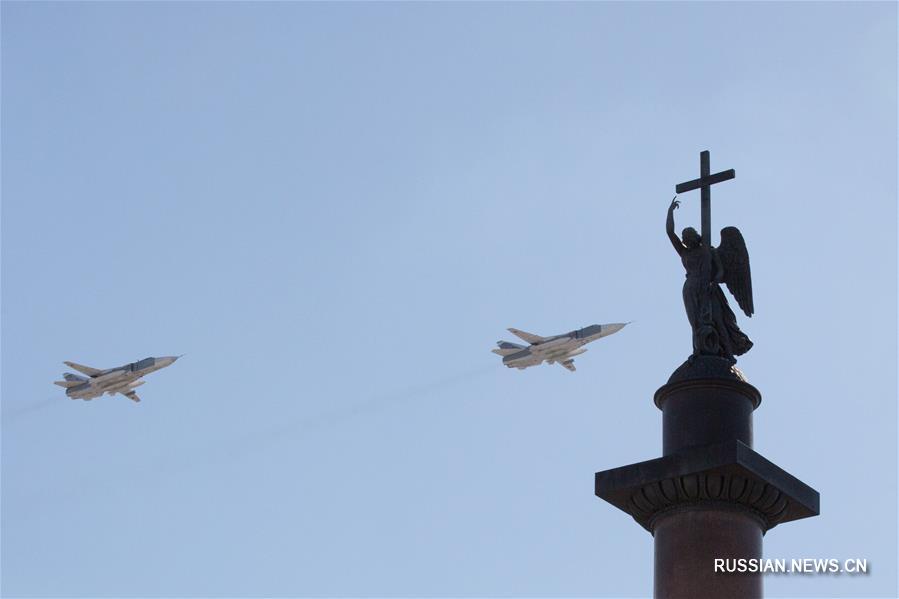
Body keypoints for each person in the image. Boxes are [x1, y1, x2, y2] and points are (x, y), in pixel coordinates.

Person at [666, 197, 752, 359]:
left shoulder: (708, 251)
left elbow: (720, 271)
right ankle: (698, 350)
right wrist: (670, 212)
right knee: (696, 322)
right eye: (684, 239)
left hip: (709, 288)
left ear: (695, 237)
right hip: (691, 289)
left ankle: (728, 353)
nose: (686, 240)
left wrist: (714, 282)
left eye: (689, 237)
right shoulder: (684, 252)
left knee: (718, 320)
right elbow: (670, 233)